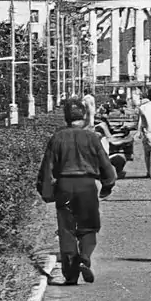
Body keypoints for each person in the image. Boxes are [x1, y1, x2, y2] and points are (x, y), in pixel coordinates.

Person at [36, 99, 117, 285]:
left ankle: (71, 275)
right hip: (87, 186)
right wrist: (107, 185)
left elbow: (47, 167)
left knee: (67, 230)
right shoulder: (92, 138)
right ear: (84, 116)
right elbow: (105, 164)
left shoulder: (57, 138)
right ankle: (86, 257)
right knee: (88, 227)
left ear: (66, 117)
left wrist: (46, 191)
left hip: (64, 187)